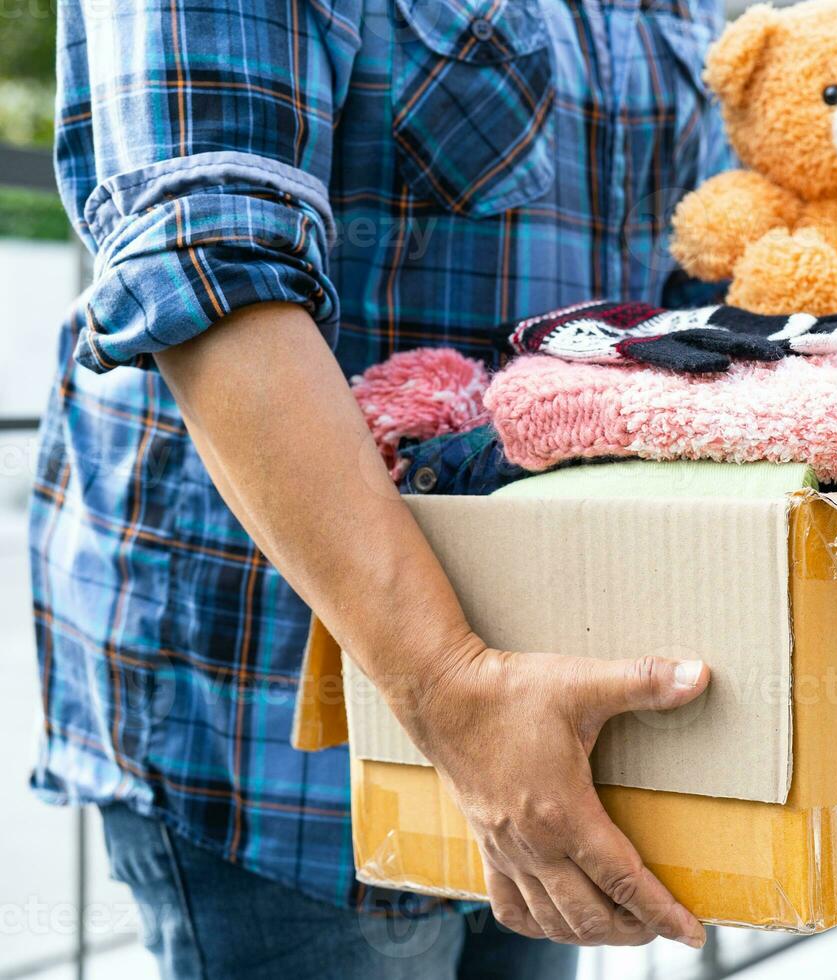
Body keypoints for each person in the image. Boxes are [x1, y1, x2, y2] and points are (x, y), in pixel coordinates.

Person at [30, 0, 731, 974]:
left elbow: (689, 283)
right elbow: (210, 270)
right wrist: (451, 685)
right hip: (272, 716)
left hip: (547, 694)